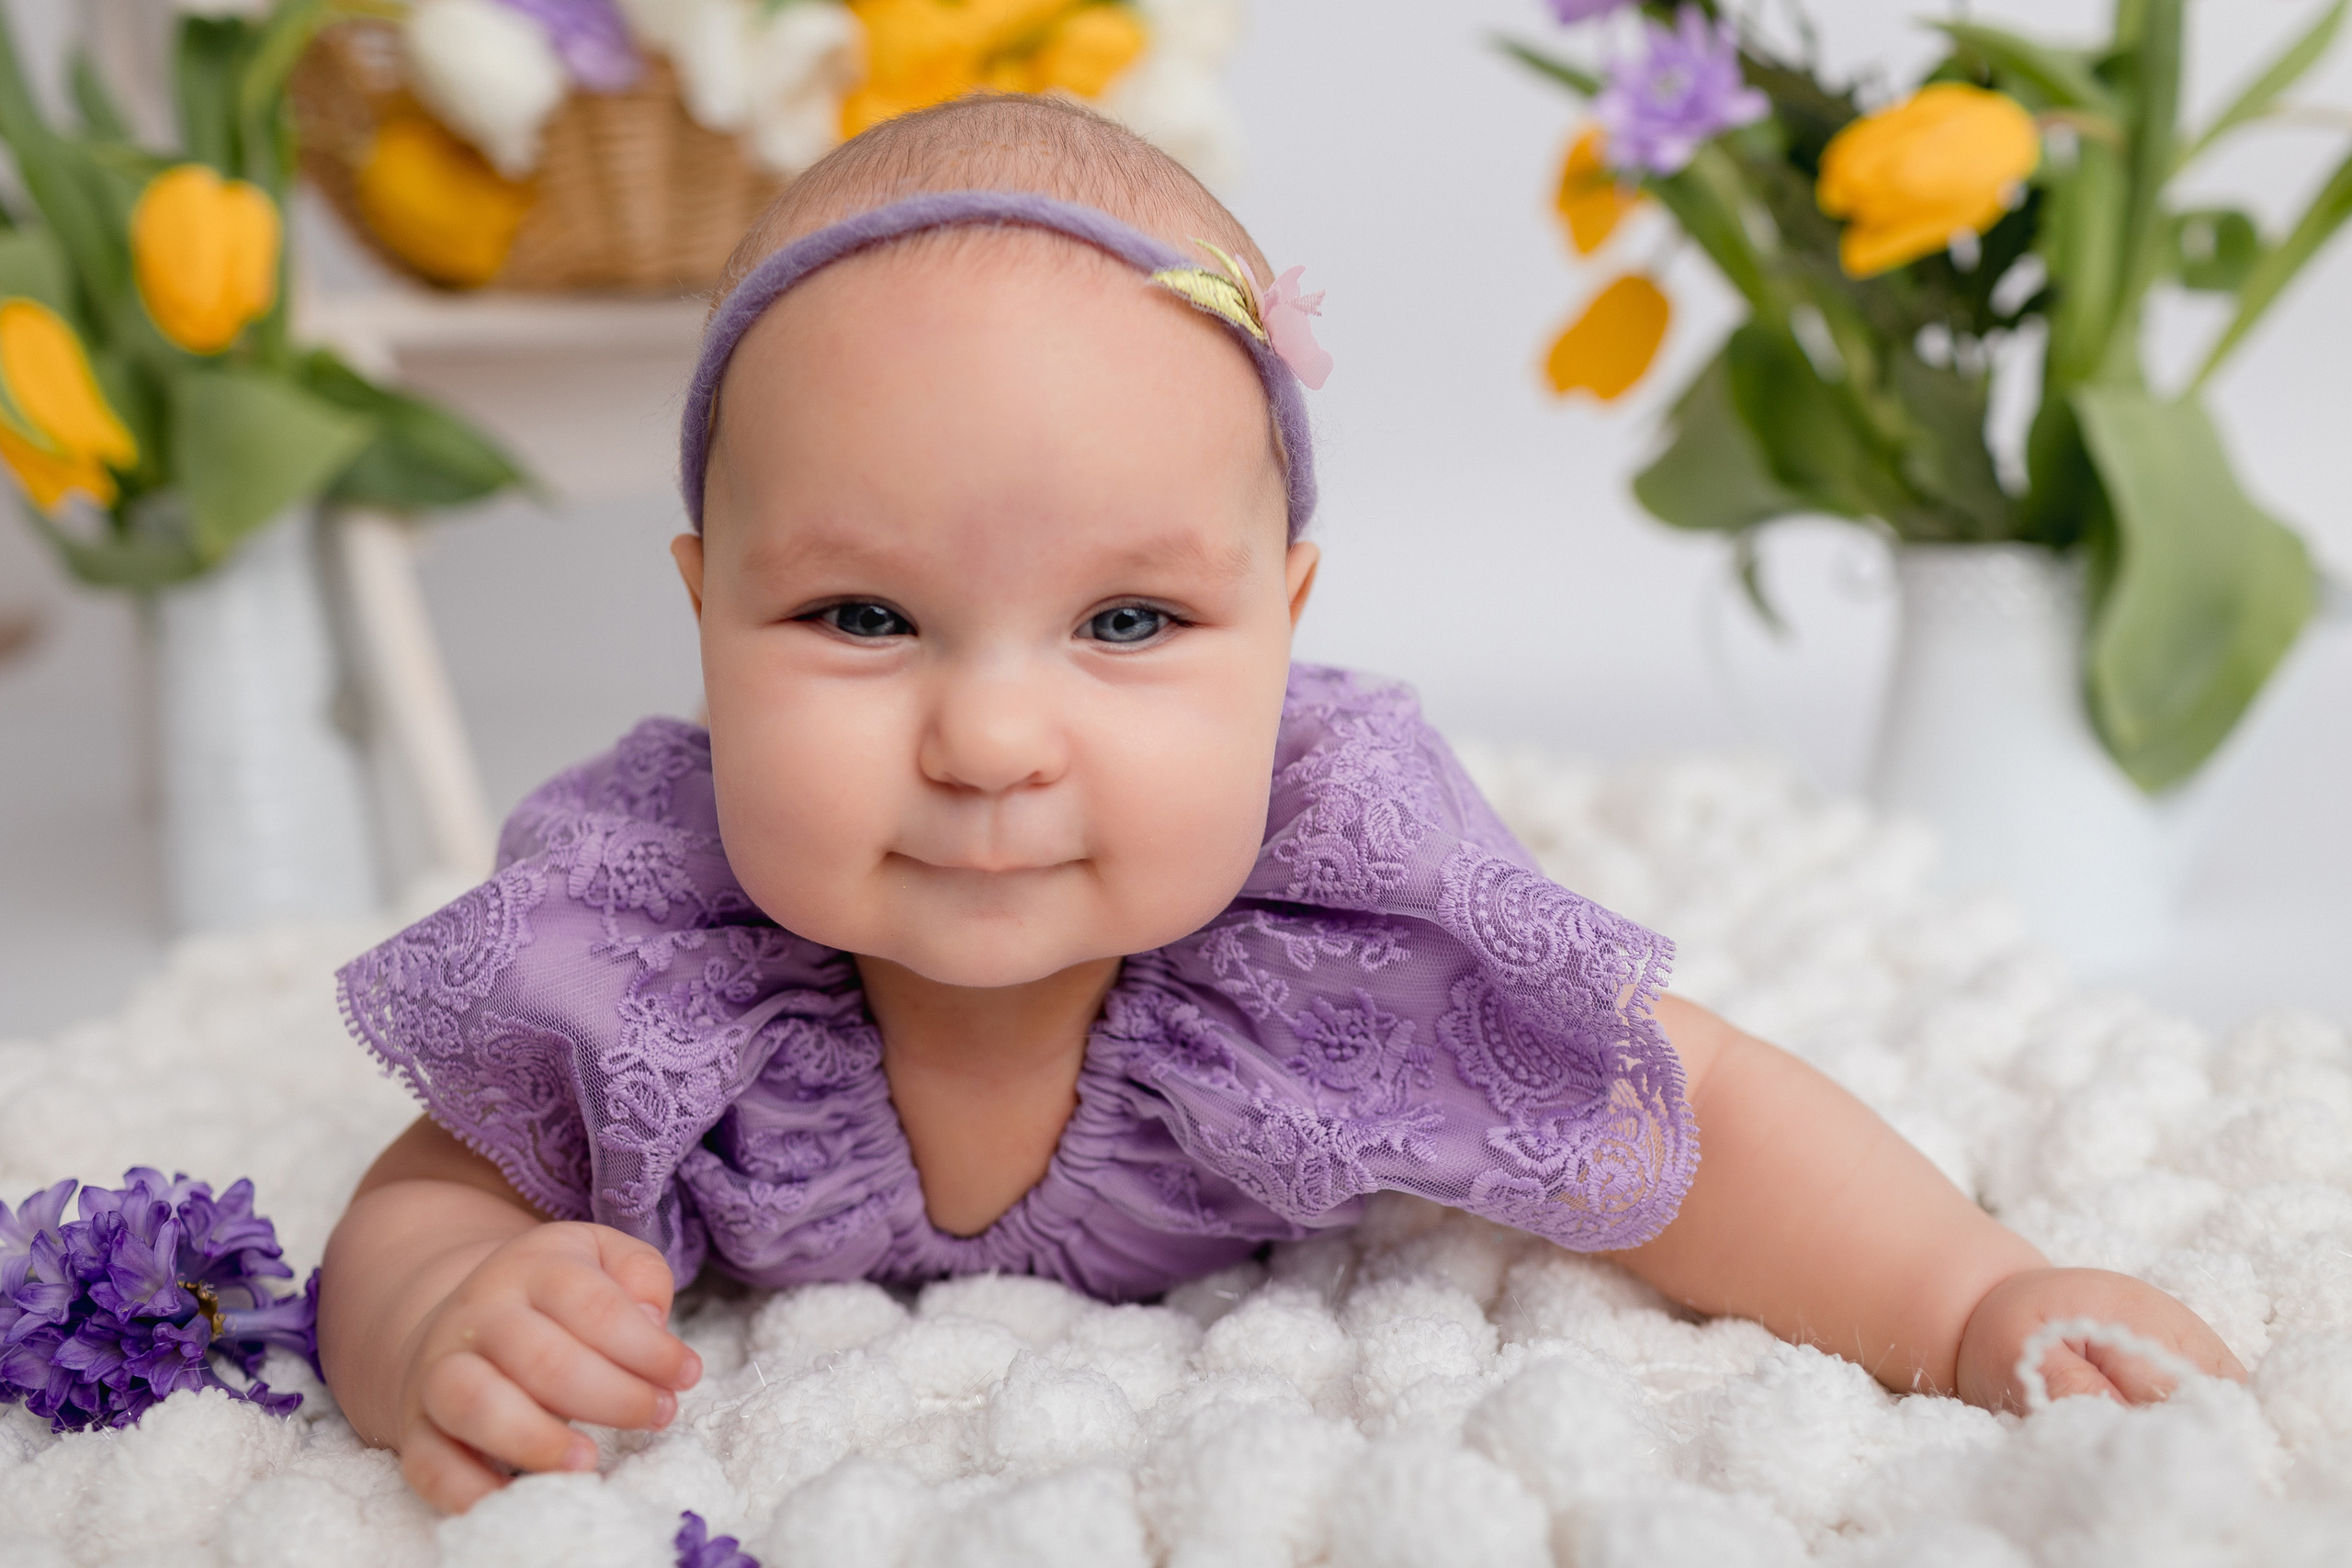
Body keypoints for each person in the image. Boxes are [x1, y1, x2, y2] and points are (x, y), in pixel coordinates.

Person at [316, 95, 2243, 1515]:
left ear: (1281, 628)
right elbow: (428, 1193)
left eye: (1129, 622)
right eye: (861, 617)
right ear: (706, 616)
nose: (990, 738)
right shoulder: (650, 942)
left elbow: (1693, 1113)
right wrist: (439, 1318)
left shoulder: (1336, 937)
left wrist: (1969, 1297)